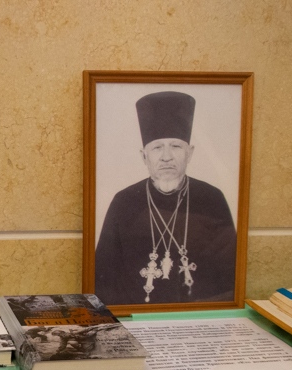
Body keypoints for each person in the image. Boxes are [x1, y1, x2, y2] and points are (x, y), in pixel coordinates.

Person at [95, 91, 237, 306]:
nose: (166, 157)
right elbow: (103, 280)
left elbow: (230, 279)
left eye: (176, 146)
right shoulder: (123, 202)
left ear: (190, 153)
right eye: (157, 147)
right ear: (144, 156)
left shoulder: (211, 199)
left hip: (199, 316)